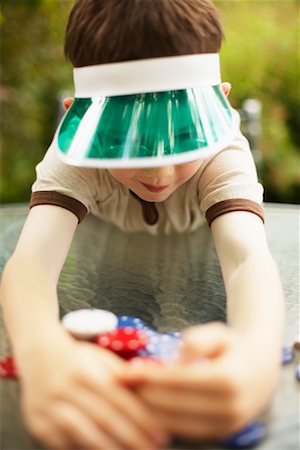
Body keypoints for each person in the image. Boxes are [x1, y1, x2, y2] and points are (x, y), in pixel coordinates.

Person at [1, 0, 284, 449]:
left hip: (200, 279)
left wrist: (255, 356)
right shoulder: (75, 155)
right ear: (78, 116)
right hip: (101, 269)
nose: (159, 174)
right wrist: (40, 352)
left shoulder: (225, 152)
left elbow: (249, 258)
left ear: (221, 104)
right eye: (122, 143)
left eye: (183, 138)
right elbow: (31, 261)